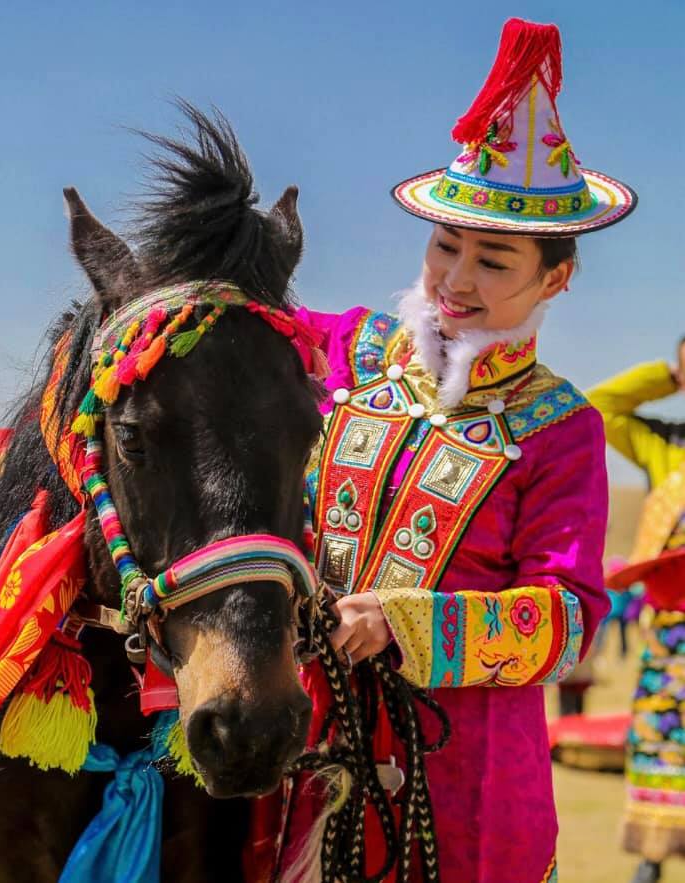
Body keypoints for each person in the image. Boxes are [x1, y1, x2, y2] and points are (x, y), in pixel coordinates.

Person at [255, 17, 638, 883]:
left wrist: (405, 622)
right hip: (305, 747)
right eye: (445, 246)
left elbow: (569, 619)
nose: (456, 280)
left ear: (555, 276)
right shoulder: (351, 351)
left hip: (464, 782)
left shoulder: (560, 429)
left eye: (494, 261)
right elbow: (241, 336)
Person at [587, 339, 685, 883]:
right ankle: (653, 853)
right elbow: (601, 405)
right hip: (671, 632)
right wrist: (670, 374)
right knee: (662, 737)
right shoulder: (665, 443)